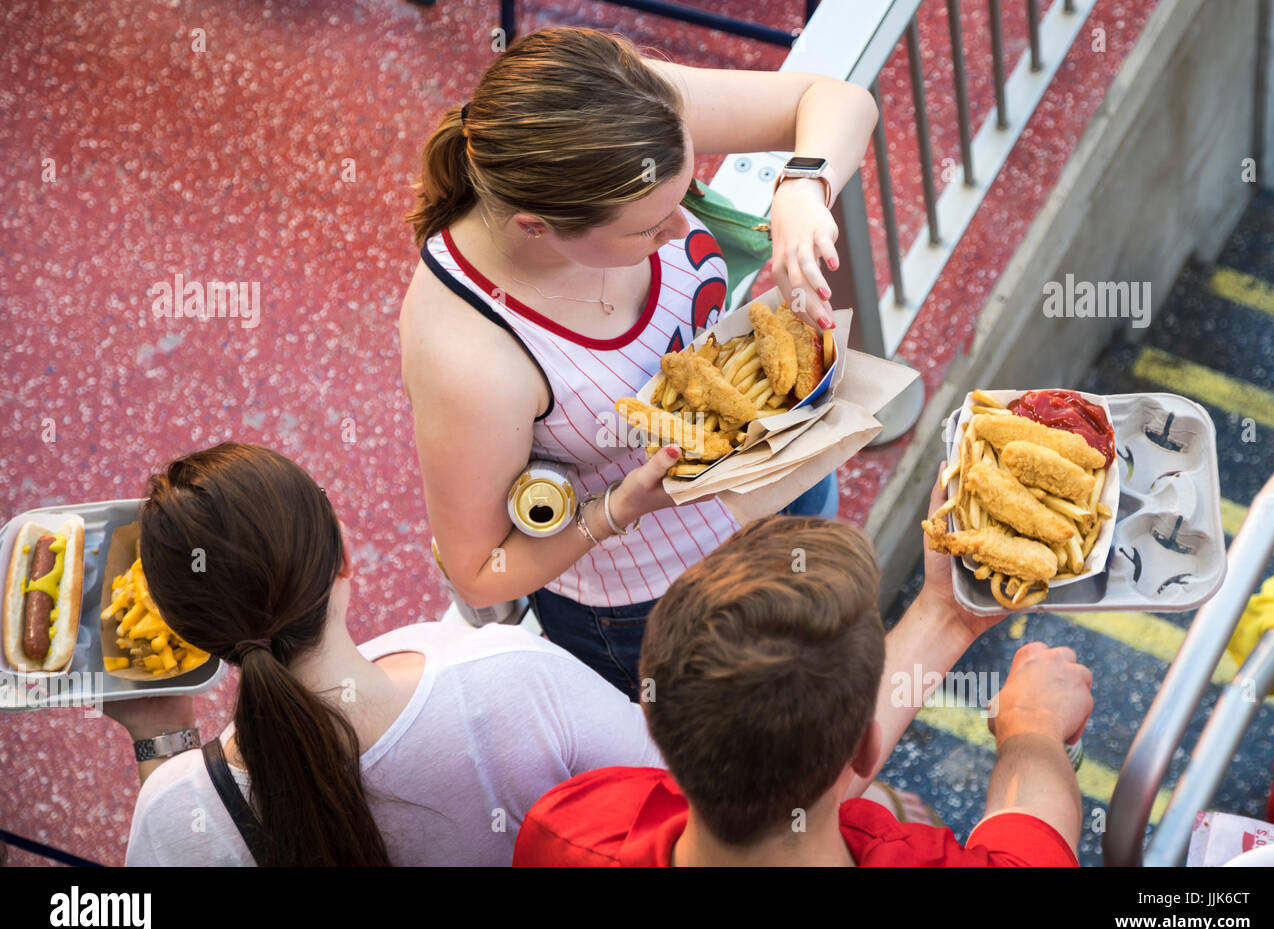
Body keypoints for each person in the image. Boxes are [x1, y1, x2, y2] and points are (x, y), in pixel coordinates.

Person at [399, 27, 878, 698]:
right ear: (535, 226)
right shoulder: (466, 352)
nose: (683, 228)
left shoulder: (623, 114)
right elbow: (481, 569)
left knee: (824, 671)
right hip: (658, 600)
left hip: (785, 484)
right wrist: (618, 507)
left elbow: (838, 98)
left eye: (684, 195)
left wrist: (803, 186)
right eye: (647, 228)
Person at [105, 443, 662, 866]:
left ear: (190, 634)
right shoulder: (513, 677)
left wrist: (162, 733)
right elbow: (675, 785)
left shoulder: (173, 809)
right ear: (345, 554)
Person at [512, 481, 1094, 866]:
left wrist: (947, 613)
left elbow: (792, 780)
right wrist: (1034, 730)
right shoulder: (904, 852)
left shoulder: (571, 825)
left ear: (653, 719)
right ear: (867, 748)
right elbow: (1033, 839)